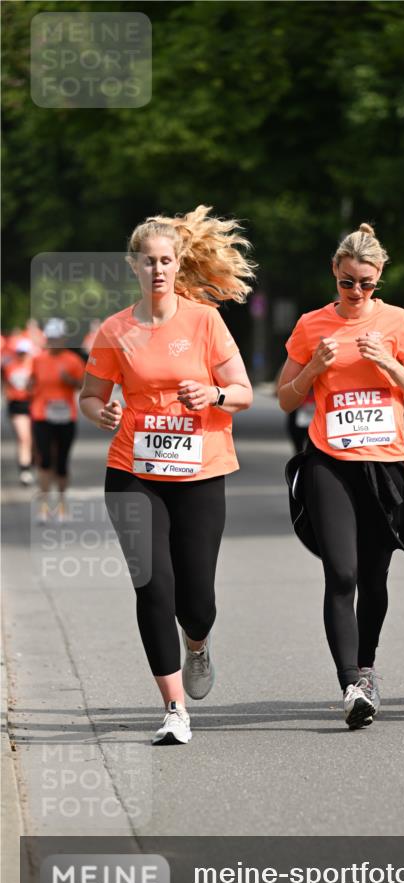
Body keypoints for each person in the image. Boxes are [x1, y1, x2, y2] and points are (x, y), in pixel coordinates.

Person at [79, 205, 254, 746]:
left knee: (195, 600)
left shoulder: (204, 321)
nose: (157, 269)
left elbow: (243, 392)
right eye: (148, 261)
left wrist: (213, 394)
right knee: (153, 585)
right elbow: (90, 396)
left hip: (200, 470)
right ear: (133, 265)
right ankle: (174, 707)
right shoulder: (116, 330)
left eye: (166, 260)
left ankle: (196, 643)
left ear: (178, 264)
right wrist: (102, 412)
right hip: (133, 470)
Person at [278, 223, 404, 729]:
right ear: (334, 271)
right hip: (328, 462)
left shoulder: (399, 322)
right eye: (347, 281)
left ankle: (366, 668)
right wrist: (312, 369)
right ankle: (350, 685)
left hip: (383, 465)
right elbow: (285, 397)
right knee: (341, 574)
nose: (356, 291)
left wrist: (388, 361)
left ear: (380, 277)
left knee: (373, 578)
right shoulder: (311, 325)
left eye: (367, 284)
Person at [31, 318, 86, 521]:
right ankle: (44, 505)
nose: (53, 342)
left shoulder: (73, 360)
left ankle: (62, 503)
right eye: (51, 339)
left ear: (63, 339)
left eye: (57, 338)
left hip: (65, 416)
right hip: (41, 414)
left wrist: (69, 380)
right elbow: (32, 381)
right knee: (45, 460)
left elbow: (83, 386)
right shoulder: (38, 359)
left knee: (62, 462)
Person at [2, 337, 36, 485]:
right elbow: (5, 383)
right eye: (20, 353)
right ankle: (24, 470)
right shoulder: (9, 366)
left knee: (35, 440)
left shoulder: (36, 366)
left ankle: (32, 460)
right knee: (24, 437)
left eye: (25, 353)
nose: (22, 355)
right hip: (17, 406)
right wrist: (8, 395)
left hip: (35, 405)